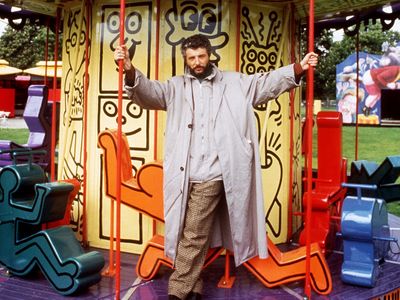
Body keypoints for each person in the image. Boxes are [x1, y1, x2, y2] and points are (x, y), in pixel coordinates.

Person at [114, 33, 318, 300]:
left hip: (213, 172)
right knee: (191, 232)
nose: (197, 62)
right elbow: (148, 93)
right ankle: (195, 288)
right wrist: (129, 70)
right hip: (183, 173)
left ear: (210, 54)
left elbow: (266, 83)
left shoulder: (235, 82)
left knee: (193, 233)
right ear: (185, 60)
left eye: (201, 56)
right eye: (191, 58)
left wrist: (298, 67)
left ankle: (177, 291)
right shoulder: (175, 87)